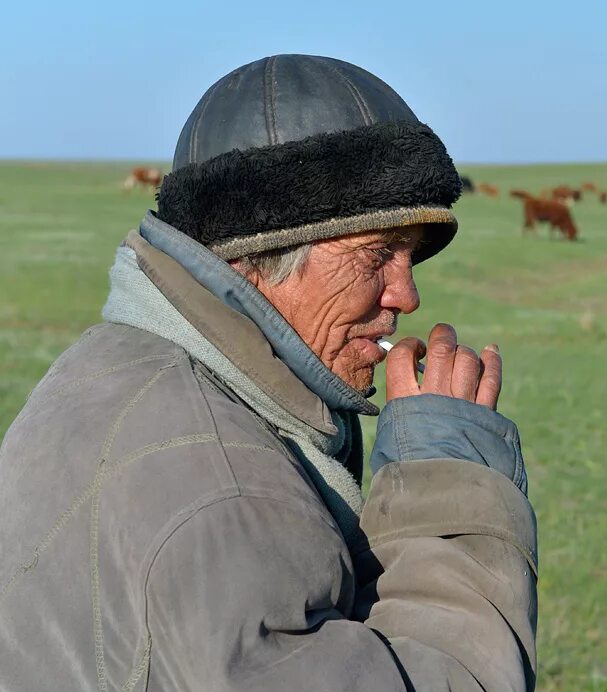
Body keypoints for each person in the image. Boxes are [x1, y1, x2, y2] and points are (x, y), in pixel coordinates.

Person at [0, 54, 537, 691]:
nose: (406, 295)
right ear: (267, 254)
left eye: (412, 255)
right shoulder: (225, 489)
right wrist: (444, 483)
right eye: (379, 253)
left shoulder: (106, 364)